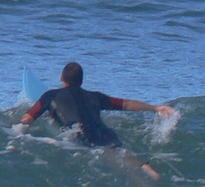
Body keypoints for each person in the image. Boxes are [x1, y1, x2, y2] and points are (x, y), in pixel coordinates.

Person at [21, 62, 175, 179]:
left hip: (81, 135)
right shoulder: (95, 96)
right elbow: (127, 104)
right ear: (81, 81)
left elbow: (27, 119)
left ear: (62, 78)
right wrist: (155, 108)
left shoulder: (51, 95)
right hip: (104, 132)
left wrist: (17, 128)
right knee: (121, 155)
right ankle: (147, 168)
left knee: (121, 167)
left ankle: (147, 186)